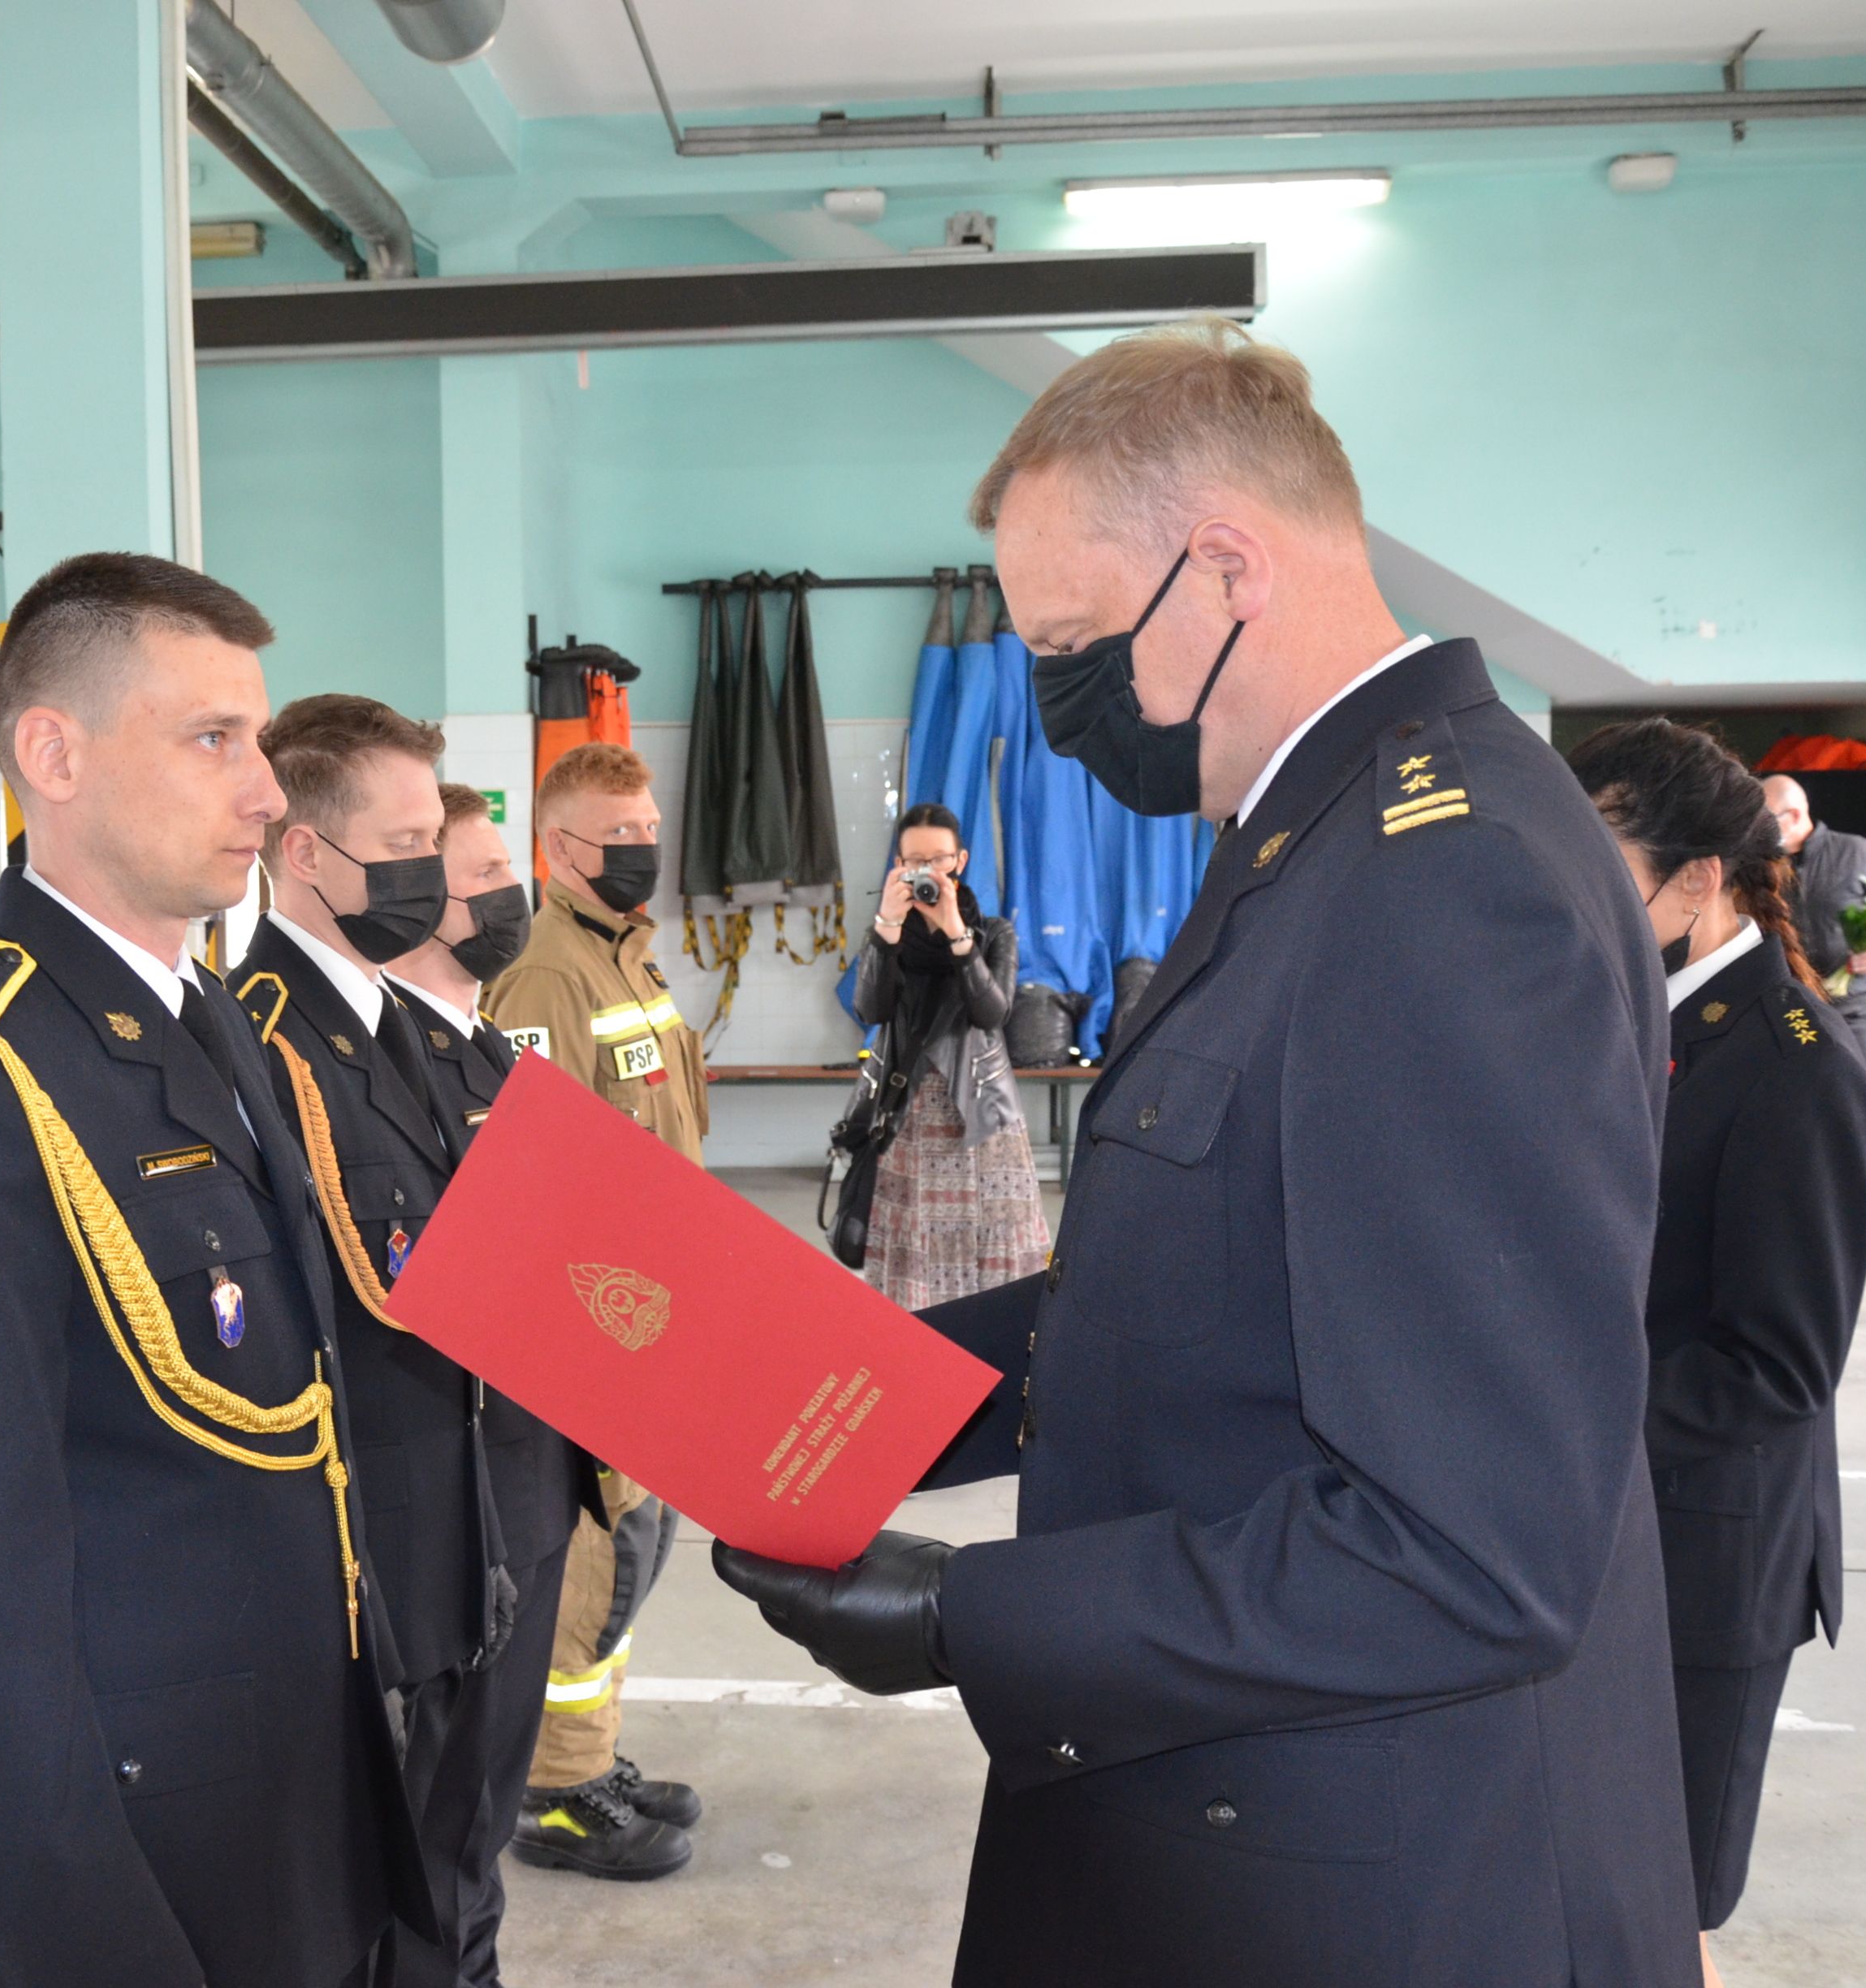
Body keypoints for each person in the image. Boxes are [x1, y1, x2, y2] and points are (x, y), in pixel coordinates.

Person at [715, 322, 1701, 1987]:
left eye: (1073, 644)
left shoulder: (1443, 875)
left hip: (1355, 1873)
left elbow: (1474, 1548)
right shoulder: (1320, 837)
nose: (1055, 708)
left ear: (1229, 566)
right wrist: (837, 1399)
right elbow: (1200, 1290)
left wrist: (968, 1619)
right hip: (1259, 1806)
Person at [0, 552, 423, 1988]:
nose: (265, 793)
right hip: (134, 1868)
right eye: (214, 739)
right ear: (53, 754)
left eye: (258, 741)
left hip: (293, 1817)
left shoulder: (203, 1013)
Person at [235, 721, 591, 1987]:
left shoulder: (433, 1030)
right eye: (403, 847)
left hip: (509, 1512)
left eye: (432, 847)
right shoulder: (259, 1043)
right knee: (405, 1881)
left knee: (467, 1855)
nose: (433, 879)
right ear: (304, 853)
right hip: (399, 1546)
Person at [1574, 722, 1866, 1978]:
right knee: (1584, 1879)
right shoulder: (1626, 1022)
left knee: (1664, 1905)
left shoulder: (1794, 1069)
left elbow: (1781, 1366)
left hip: (1706, 1557)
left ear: (1700, 879)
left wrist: (1563, 1415)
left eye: (1606, 874)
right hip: (1602, 1534)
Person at [383, 782, 615, 1978]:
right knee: (439, 1839)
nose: (508, 898)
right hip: (457, 1523)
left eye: (503, 872)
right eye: (480, 880)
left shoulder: (488, 1052)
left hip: (536, 1491)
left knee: (475, 1835)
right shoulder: (374, 1063)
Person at [484, 741, 704, 1882]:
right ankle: (554, 1791)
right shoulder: (544, 973)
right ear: (557, 848)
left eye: (648, 829)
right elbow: (540, 1173)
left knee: (636, 1549)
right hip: (602, 1323)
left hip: (657, 1303)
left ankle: (591, 1755)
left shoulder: (626, 956)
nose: (641, 850)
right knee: (591, 1557)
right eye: (618, 836)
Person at [850, 802, 1048, 1308]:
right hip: (909, 1112)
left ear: (960, 861)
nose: (929, 873)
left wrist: (959, 935)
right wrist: (886, 930)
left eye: (939, 860)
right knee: (912, 1254)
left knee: (993, 1251)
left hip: (983, 1117)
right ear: (898, 865)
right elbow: (871, 1009)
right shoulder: (887, 933)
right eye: (916, 861)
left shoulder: (994, 932)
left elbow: (993, 1013)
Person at [1762, 774, 1866, 1073]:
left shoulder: (1856, 852)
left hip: (1851, 1003)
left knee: (1852, 1091)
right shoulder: (1757, 865)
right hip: (1786, 1002)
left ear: (1794, 816)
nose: (1756, 830)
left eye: (1764, 821)